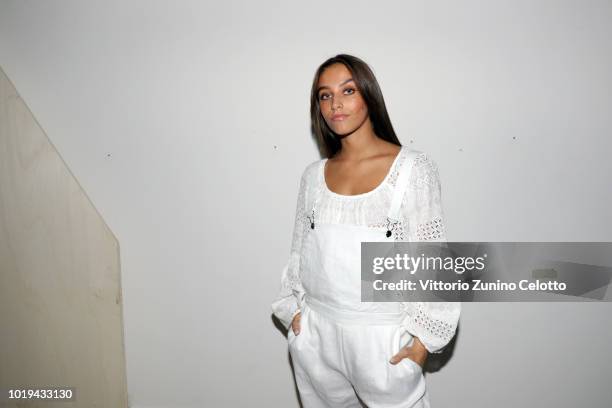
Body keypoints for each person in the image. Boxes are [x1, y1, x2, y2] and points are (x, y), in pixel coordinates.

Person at [271, 54, 461, 408]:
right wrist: (295, 313)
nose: (335, 103)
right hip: (316, 337)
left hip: (382, 342)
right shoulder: (313, 176)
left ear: (369, 96)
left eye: (348, 90)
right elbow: (300, 252)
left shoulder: (412, 170)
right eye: (324, 95)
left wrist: (421, 345)